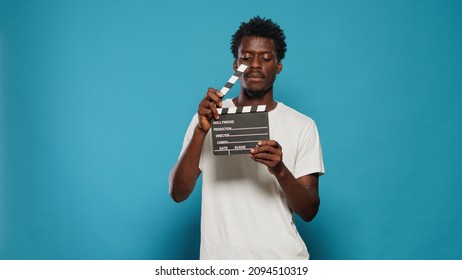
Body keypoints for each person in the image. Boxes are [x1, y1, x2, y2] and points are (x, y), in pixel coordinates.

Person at [169, 16, 325, 260]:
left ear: (278, 65)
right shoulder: (208, 118)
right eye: (246, 57)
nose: (255, 64)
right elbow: (178, 193)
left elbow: (309, 210)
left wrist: (280, 169)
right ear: (235, 65)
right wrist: (201, 131)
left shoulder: (302, 126)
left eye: (265, 58)